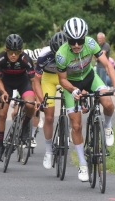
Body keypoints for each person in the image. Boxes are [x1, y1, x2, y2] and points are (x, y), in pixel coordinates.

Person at [55, 17, 115, 182]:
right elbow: (62, 80)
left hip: (90, 78)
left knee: (108, 103)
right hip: (71, 85)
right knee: (77, 126)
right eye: (73, 41)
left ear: (84, 38)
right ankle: (83, 164)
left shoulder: (91, 43)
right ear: (67, 38)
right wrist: (73, 90)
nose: (77, 45)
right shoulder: (61, 54)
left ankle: (107, 126)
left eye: (80, 41)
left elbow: (107, 65)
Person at [0, 34, 35, 161]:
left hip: (23, 82)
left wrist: (37, 98)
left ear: (21, 51)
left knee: (30, 105)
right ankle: (1, 147)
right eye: (11, 52)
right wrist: (3, 92)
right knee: (2, 114)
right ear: (6, 50)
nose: (13, 55)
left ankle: (25, 129)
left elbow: (33, 81)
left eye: (16, 52)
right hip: (6, 84)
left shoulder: (26, 60)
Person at [33, 32, 68, 169]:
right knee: (48, 117)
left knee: (72, 109)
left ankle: (68, 129)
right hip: (48, 78)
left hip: (66, 76)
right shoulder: (44, 55)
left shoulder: (71, 53)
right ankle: (48, 151)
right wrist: (42, 100)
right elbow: (36, 81)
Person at [10, 48, 43, 148]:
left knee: (35, 111)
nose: (34, 64)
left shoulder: (39, 71)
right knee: (15, 112)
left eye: (36, 62)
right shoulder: (21, 69)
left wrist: (38, 100)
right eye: (33, 62)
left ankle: (31, 136)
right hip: (22, 89)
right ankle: (15, 128)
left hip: (33, 90)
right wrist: (13, 98)